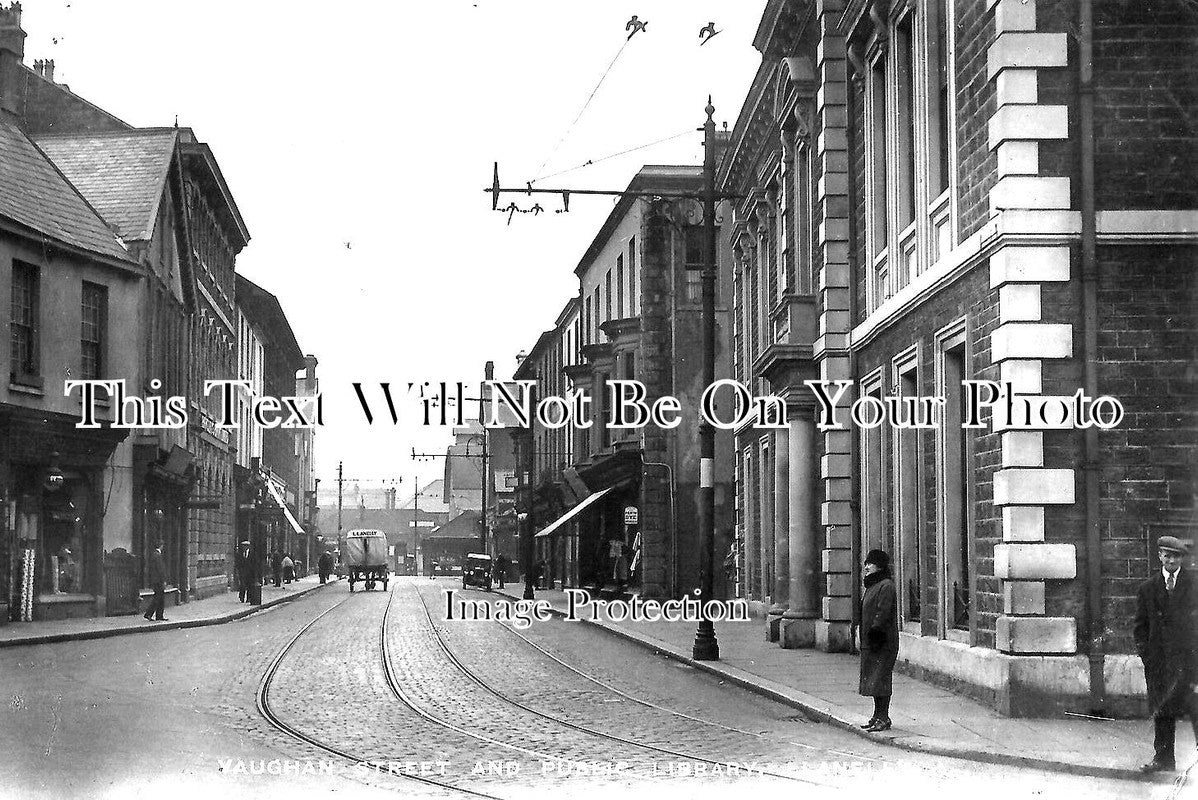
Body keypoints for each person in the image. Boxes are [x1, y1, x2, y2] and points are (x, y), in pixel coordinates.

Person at [1134, 535, 1198, 773]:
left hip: (1190, 663)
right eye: (1168, 555)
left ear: (1182, 559)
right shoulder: (1148, 588)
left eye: (1176, 556)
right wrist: (1148, 658)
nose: (1172, 560)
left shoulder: (1194, 585)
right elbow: (1140, 627)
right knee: (1162, 711)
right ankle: (1163, 760)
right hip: (1160, 664)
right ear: (1160, 556)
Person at [858, 548, 898, 732]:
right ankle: (877, 715)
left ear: (880, 566)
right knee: (874, 679)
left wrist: (875, 633)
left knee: (881, 679)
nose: (866, 566)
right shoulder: (873, 585)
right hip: (872, 641)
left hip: (882, 641)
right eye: (866, 563)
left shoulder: (886, 586)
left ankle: (883, 717)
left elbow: (882, 613)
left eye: (870, 563)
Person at [143, 542, 168, 622]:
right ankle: (149, 614)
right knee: (158, 598)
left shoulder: (154, 555)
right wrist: (163, 580)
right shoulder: (157, 555)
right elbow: (160, 570)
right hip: (158, 581)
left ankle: (159, 616)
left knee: (160, 598)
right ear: (161, 546)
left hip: (156, 580)